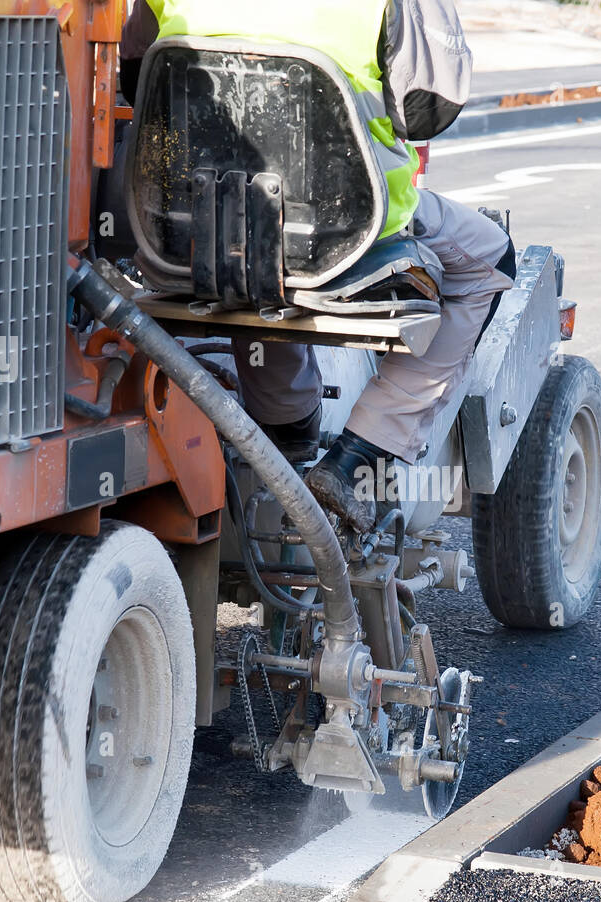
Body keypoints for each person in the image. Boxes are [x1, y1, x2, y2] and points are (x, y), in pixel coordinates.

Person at [120, 0, 516, 533]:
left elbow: (134, 79)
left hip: (191, 227)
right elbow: (427, 110)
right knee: (491, 260)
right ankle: (360, 458)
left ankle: (283, 427)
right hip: (349, 227)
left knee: (250, 260)